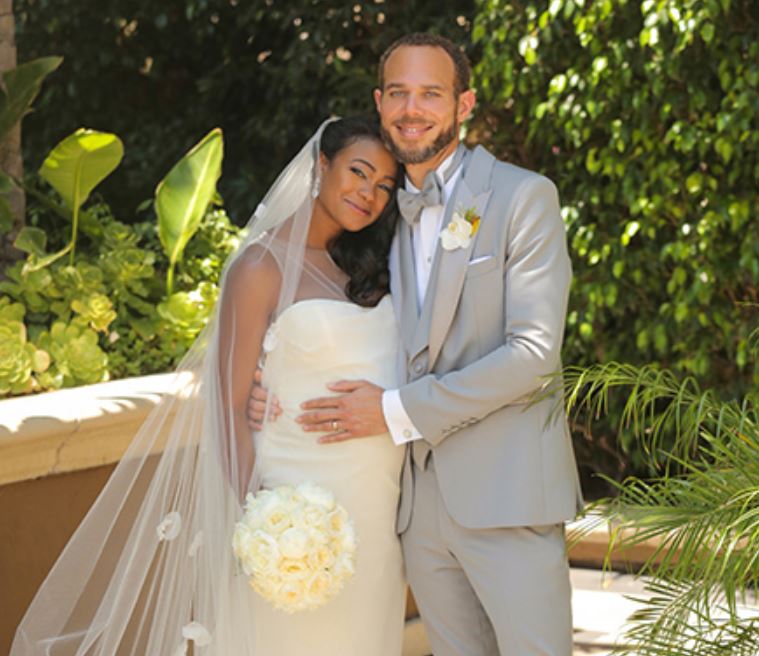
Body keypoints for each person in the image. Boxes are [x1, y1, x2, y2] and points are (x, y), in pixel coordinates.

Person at [10, 116, 407, 656]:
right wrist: (257, 520)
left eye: (385, 186)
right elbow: (229, 403)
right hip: (297, 508)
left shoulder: (368, 269)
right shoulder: (260, 268)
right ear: (321, 165)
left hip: (376, 508)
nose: (371, 193)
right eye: (359, 172)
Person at [253, 34, 584, 655]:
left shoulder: (523, 197)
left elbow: (535, 355)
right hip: (413, 512)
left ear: (464, 105)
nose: (413, 108)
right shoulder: (378, 214)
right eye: (399, 93)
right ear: (379, 105)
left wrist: (391, 411)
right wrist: (261, 386)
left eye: (431, 93)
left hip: (506, 500)